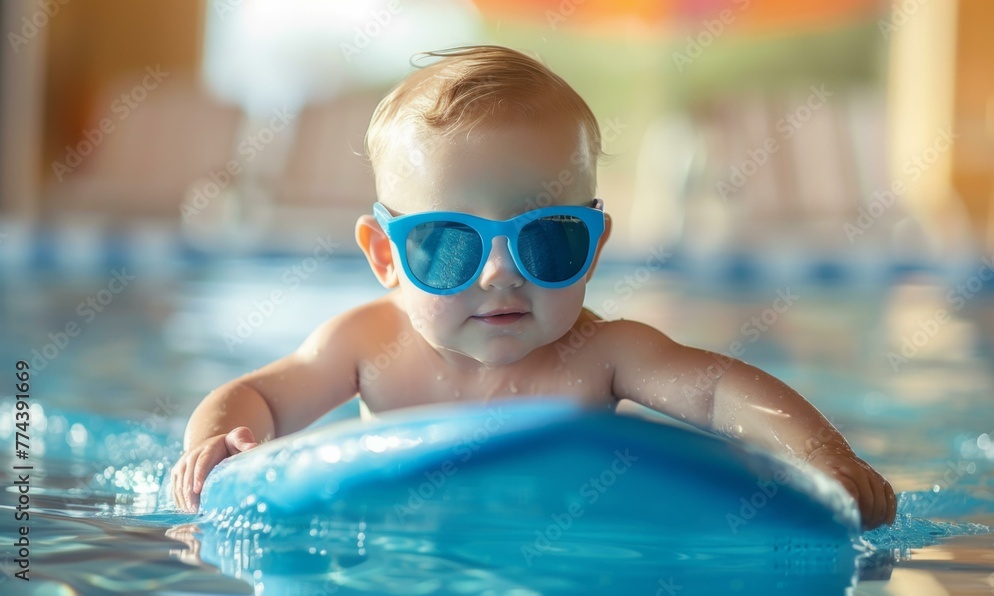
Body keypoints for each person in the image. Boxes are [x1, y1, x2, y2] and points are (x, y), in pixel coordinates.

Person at [171, 45, 896, 529]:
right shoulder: (367, 344)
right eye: (449, 246)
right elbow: (260, 396)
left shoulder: (604, 351)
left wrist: (828, 461)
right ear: (385, 256)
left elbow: (721, 390)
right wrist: (216, 446)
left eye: (547, 238)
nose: (501, 273)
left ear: (595, 245)